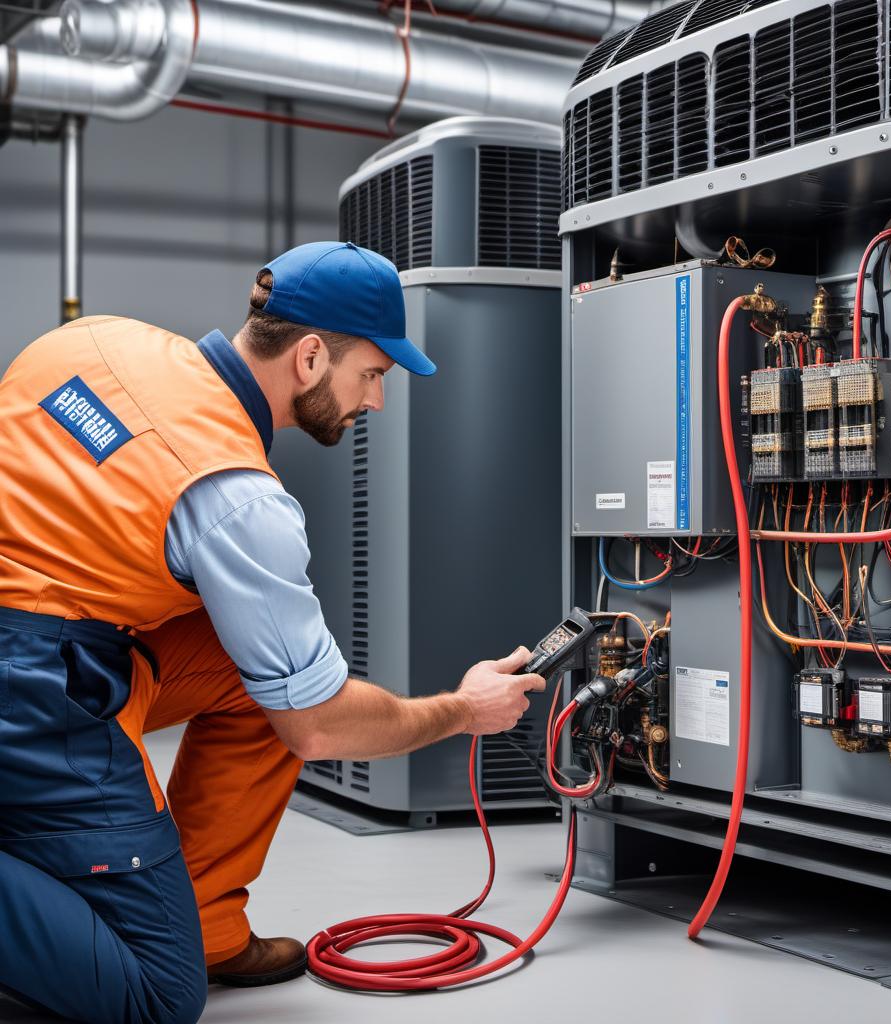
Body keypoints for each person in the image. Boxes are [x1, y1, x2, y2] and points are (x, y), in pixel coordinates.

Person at [0, 241, 545, 1024]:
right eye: (374, 375)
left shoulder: (92, 341)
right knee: (157, 994)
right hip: (38, 690)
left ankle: (210, 924)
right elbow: (316, 726)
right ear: (312, 357)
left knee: (259, 664)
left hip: (54, 640)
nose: (377, 403)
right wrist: (462, 710)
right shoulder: (236, 496)